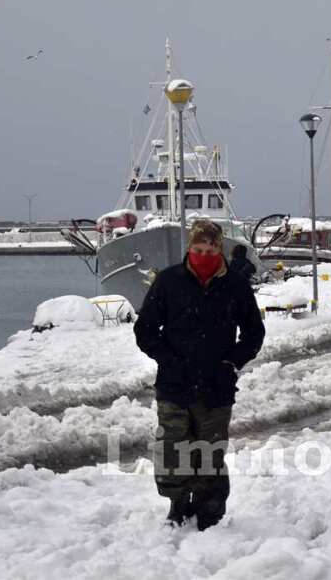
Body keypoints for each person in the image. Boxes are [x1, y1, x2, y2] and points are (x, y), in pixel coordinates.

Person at [134, 219, 265, 531]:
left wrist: (231, 363)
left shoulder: (235, 285)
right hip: (174, 385)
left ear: (220, 249)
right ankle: (177, 504)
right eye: (198, 249)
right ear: (189, 248)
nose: (204, 254)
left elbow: (253, 333)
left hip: (216, 387)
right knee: (173, 451)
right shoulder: (169, 281)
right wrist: (168, 359)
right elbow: (146, 330)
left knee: (209, 451)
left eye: (210, 249)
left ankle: (210, 507)